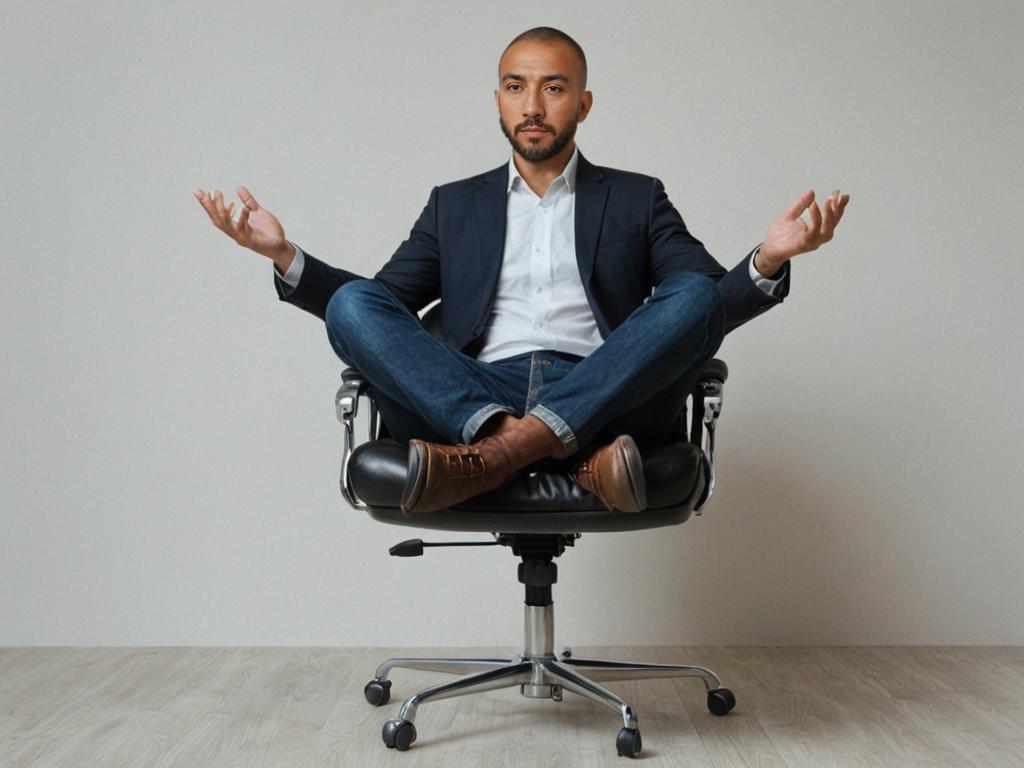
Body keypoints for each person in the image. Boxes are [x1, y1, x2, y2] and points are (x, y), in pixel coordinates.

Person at [194, 27, 849, 517]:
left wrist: (766, 262)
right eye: (517, 86)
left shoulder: (636, 197)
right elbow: (378, 307)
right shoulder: (454, 204)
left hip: (606, 392)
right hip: (472, 393)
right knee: (351, 306)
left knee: (692, 297)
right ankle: (547, 448)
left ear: (583, 103)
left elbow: (703, 311)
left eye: (553, 87)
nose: (533, 104)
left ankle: (496, 458)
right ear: (499, 100)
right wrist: (286, 258)